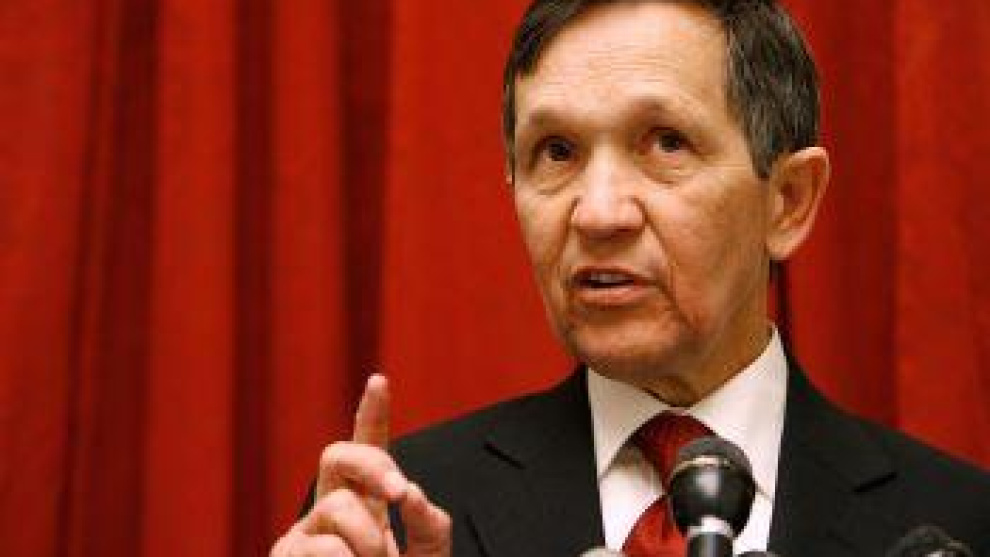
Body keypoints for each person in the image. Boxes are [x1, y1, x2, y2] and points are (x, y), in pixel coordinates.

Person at [271, 1, 990, 556]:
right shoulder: (396, 516)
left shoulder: (957, 521)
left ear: (788, 200)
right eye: (557, 152)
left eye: (666, 143)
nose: (599, 212)